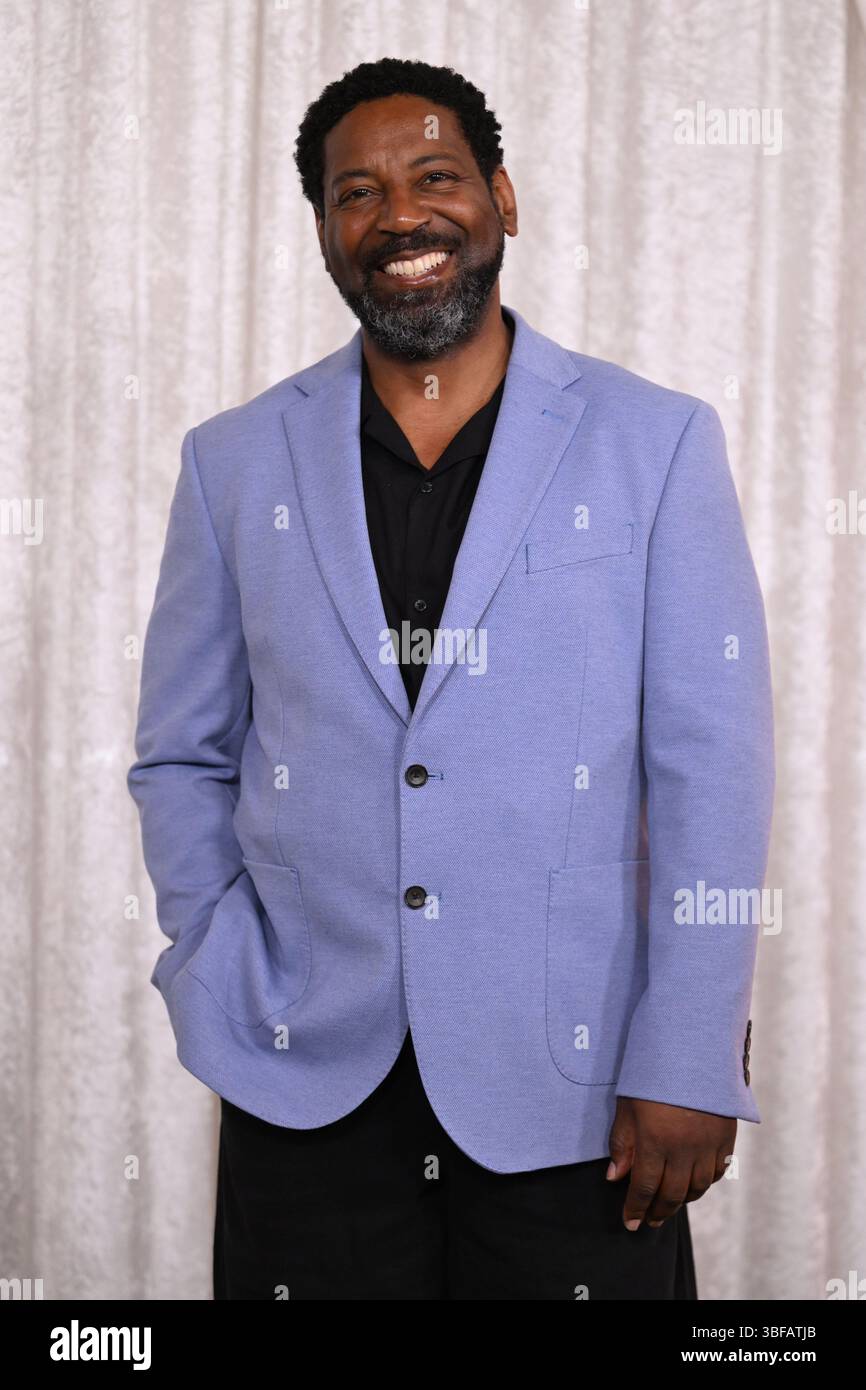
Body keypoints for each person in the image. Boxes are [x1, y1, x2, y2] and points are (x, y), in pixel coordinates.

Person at [128, 57, 774, 1300]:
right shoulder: (233, 461)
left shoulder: (655, 442)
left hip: (579, 1089)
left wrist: (690, 1047)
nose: (399, 217)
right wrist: (211, 949)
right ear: (325, 233)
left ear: (501, 199)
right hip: (305, 1080)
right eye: (356, 193)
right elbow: (182, 752)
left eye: (434, 177)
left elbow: (712, 763)